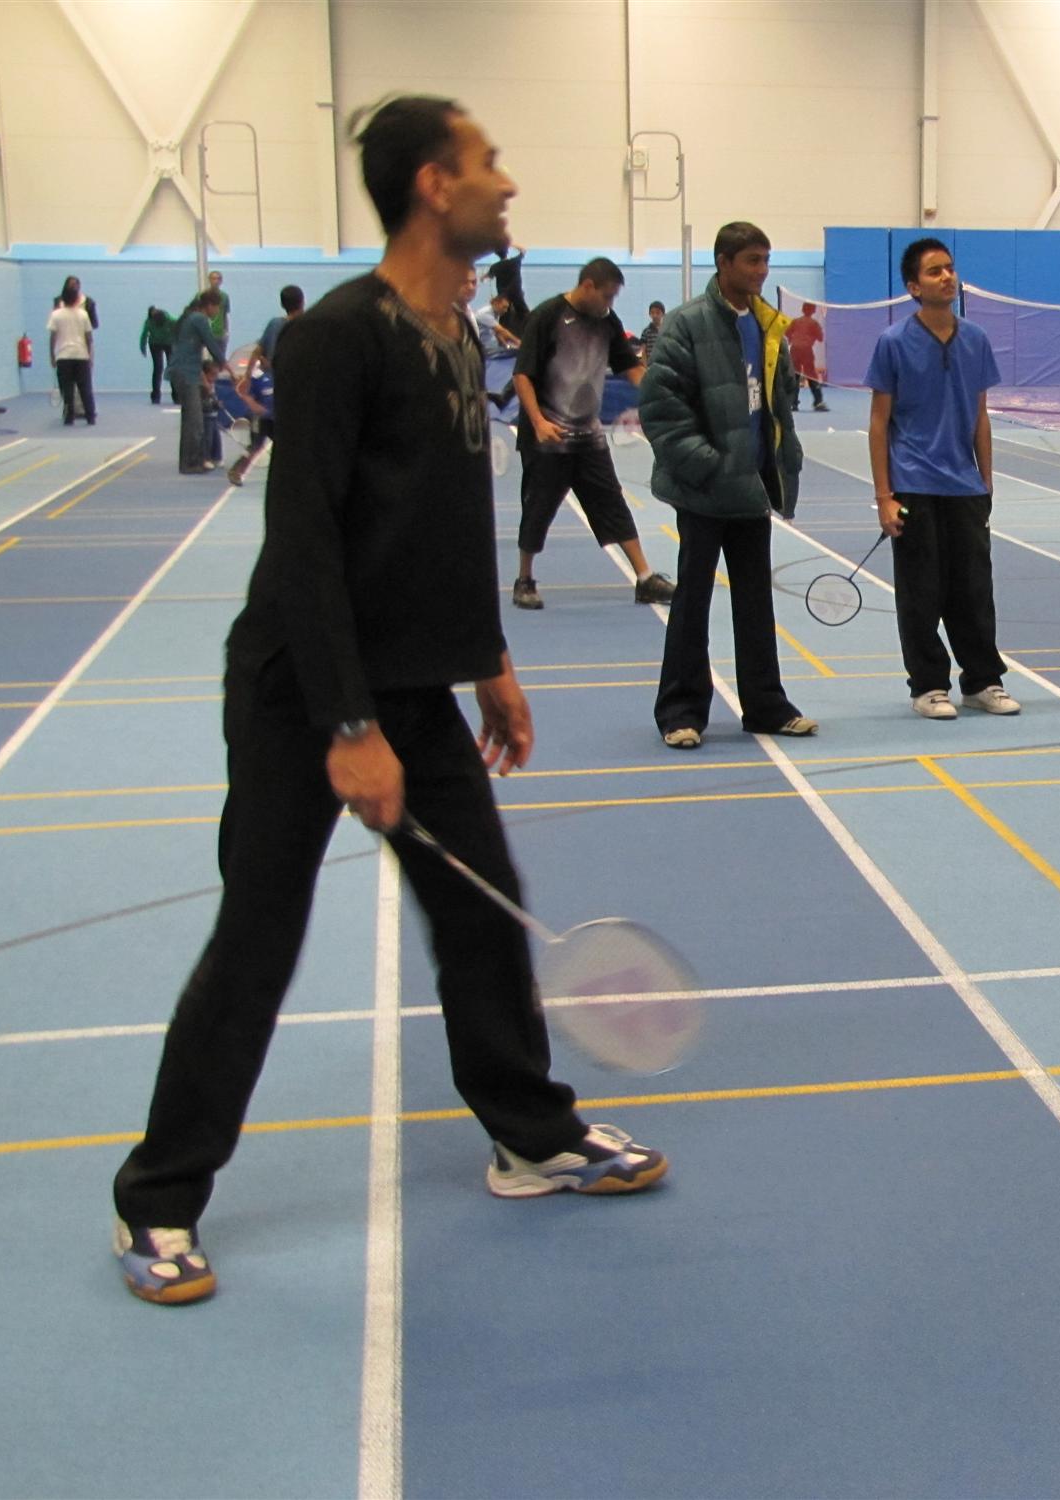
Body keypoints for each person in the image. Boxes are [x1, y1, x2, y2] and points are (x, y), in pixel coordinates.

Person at [110, 94, 667, 1309]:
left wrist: (489, 664)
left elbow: (447, 523)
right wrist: (347, 727)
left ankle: (530, 1134)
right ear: (431, 184)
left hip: (417, 685)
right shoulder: (342, 338)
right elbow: (302, 538)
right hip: (301, 691)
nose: (504, 182)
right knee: (258, 940)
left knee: (483, 913)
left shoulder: (460, 332)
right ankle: (156, 1199)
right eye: (488, 161)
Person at [639, 220, 817, 750]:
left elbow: (777, 400)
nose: (762, 271)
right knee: (692, 602)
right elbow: (660, 408)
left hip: (752, 488)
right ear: (724, 263)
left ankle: (765, 705)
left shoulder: (768, 324)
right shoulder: (685, 324)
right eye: (752, 261)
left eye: (766, 260)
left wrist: (784, 459)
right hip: (704, 490)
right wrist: (708, 464)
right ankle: (680, 710)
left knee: (756, 603)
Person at [866, 236, 1017, 720]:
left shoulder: (975, 340)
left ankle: (981, 681)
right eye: (934, 271)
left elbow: (980, 416)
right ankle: (929, 684)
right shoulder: (892, 342)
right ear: (913, 286)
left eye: (950, 268)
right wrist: (884, 496)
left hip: (965, 487)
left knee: (974, 590)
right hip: (912, 482)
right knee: (921, 591)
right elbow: (878, 423)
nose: (946, 277)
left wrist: (986, 483)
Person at [509, 257, 674, 609]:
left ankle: (645, 578)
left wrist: (662, 399)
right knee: (538, 507)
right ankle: (524, 579)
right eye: (608, 296)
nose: (611, 304)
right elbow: (522, 375)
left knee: (611, 501)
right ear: (588, 287)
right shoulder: (547, 316)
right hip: (548, 437)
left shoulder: (606, 321)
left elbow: (630, 368)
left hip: (589, 436)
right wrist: (537, 421)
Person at [227, 284, 303, 486]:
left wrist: (249, 378)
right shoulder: (303, 327)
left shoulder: (274, 324)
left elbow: (257, 351)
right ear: (302, 302)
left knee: (261, 436)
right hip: (285, 393)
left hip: (266, 391)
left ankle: (240, 468)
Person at [169, 289, 225, 473]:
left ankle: (188, 462)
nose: (217, 312)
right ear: (210, 305)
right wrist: (227, 367)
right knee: (195, 422)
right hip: (186, 374)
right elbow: (212, 344)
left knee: (190, 421)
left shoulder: (190, 317)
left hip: (183, 372)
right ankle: (190, 462)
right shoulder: (199, 319)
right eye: (217, 307)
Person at [47, 282, 96, 426]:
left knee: (67, 389)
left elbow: (53, 337)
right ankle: (90, 416)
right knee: (85, 388)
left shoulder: (56, 315)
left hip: (63, 356)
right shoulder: (83, 314)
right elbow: (89, 338)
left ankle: (69, 416)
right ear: (76, 300)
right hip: (81, 355)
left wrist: (52, 355)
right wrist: (89, 356)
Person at [787, 301, 828, 412]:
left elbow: (787, 334)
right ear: (813, 310)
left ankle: (792, 403)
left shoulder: (795, 321)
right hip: (806, 351)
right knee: (811, 376)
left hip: (794, 350)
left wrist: (794, 339)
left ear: (803, 310)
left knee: (794, 377)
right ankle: (818, 402)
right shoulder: (814, 323)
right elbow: (820, 338)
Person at [483, 240, 528, 335]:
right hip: (517, 293)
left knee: (504, 318)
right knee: (525, 314)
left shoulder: (495, 266)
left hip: (503, 296)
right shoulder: (515, 262)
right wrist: (511, 244)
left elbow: (488, 277)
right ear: (507, 252)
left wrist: (483, 277)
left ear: (497, 254)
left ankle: (504, 337)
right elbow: (523, 250)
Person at [139, 304, 176, 404]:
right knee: (158, 368)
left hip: (168, 343)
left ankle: (176, 394)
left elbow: (179, 327)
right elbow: (144, 335)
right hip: (155, 344)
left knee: (171, 368)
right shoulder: (149, 321)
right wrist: (143, 348)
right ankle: (156, 396)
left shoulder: (169, 319)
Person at [206, 270, 231, 344]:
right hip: (206, 332)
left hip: (220, 333)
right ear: (209, 280)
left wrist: (226, 332)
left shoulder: (224, 296)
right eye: (214, 279)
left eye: (218, 279)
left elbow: (225, 315)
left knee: (220, 354)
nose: (216, 281)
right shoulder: (202, 296)